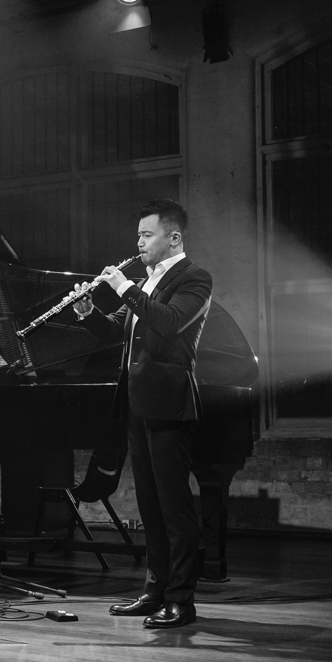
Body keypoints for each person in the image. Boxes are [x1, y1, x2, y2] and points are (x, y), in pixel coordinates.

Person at [72, 199, 212, 629]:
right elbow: (116, 330)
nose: (138, 243)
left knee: (174, 508)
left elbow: (169, 322)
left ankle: (181, 600)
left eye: (146, 235)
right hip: (138, 403)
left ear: (174, 237)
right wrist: (89, 314)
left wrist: (124, 289)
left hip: (170, 404)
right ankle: (155, 591)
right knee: (149, 506)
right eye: (138, 235)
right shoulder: (145, 281)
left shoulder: (195, 278)